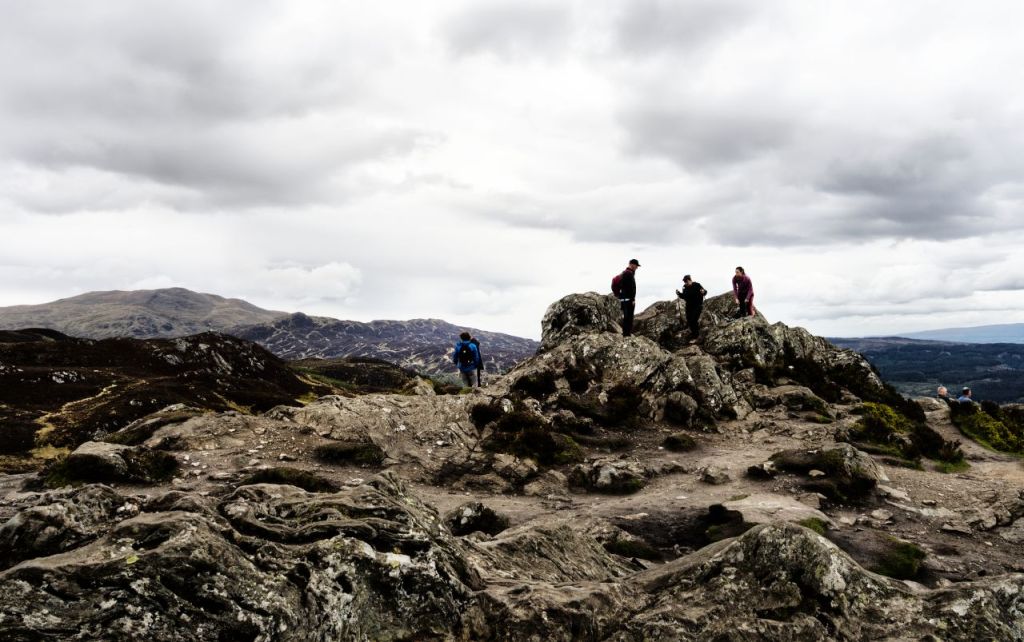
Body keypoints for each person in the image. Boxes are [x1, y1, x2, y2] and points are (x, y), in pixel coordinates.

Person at [612, 259, 640, 336]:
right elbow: (632, 288)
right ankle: (626, 334)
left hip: (623, 299)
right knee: (629, 317)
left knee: (626, 317)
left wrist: (618, 295)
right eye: (636, 265)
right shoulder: (629, 274)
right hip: (628, 299)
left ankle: (625, 333)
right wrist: (633, 299)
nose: (637, 267)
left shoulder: (624, 273)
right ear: (632, 264)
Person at [675, 274, 707, 341]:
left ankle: (696, 336)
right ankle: (694, 335)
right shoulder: (684, 287)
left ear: (690, 280)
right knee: (689, 321)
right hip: (689, 307)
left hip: (697, 305)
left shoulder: (697, 285)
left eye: (687, 281)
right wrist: (679, 294)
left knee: (694, 320)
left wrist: (703, 292)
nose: (686, 283)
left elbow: (705, 292)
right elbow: (684, 296)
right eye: (685, 282)